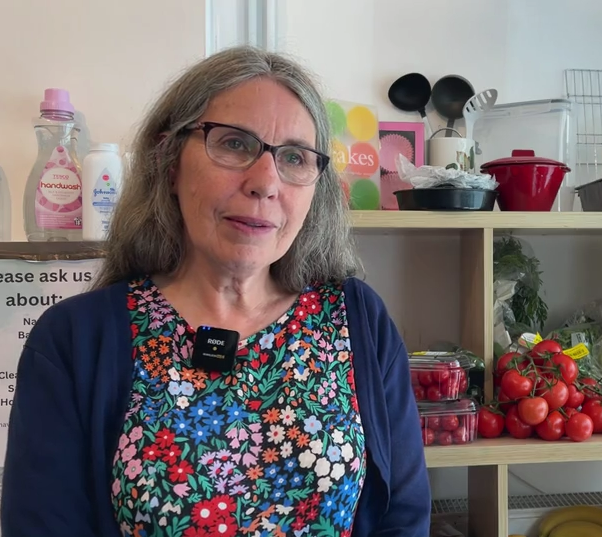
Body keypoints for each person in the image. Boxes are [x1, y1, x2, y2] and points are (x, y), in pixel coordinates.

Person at [1, 46, 430, 537]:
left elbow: (403, 515)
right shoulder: (74, 340)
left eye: (294, 157)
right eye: (233, 144)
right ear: (169, 162)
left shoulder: (357, 320)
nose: (265, 182)